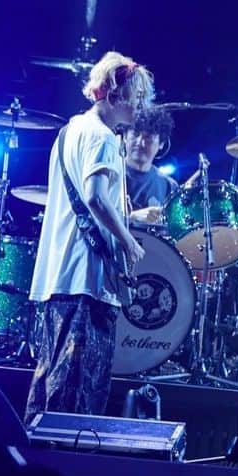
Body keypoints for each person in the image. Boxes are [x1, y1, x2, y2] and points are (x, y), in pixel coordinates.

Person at [25, 51, 153, 421]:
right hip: (87, 281)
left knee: (49, 383)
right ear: (114, 94)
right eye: (136, 96)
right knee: (77, 395)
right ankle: (64, 456)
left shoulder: (70, 131)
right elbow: (95, 197)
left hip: (60, 277)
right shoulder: (102, 138)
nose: (140, 105)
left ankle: (35, 451)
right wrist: (128, 241)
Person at [124, 106, 179, 225]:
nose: (140, 142)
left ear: (161, 144)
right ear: (125, 137)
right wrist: (133, 217)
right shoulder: (109, 173)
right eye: (135, 134)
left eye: (148, 137)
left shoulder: (169, 186)